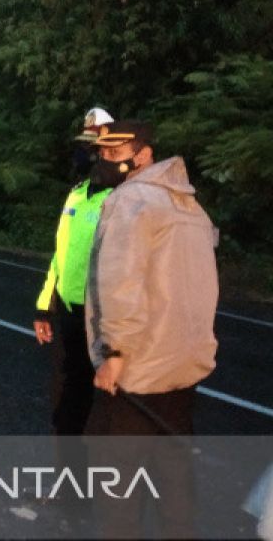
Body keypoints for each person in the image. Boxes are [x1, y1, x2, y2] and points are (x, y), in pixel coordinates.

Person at [84, 119, 218, 433]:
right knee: (172, 465)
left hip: (138, 370)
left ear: (143, 156)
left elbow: (121, 283)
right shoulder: (191, 206)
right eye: (102, 153)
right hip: (183, 365)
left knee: (114, 470)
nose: (105, 161)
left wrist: (114, 354)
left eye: (114, 153)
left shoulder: (130, 199)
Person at [33, 107, 114, 436]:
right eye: (82, 146)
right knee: (67, 404)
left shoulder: (120, 198)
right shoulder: (78, 194)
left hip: (103, 319)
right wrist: (43, 305)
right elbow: (61, 254)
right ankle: (68, 483)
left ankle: (101, 484)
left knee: (103, 408)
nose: (84, 154)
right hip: (69, 314)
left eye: (91, 148)